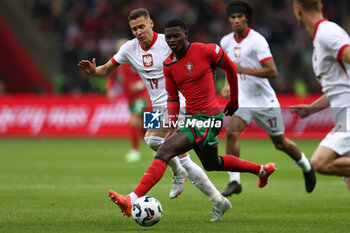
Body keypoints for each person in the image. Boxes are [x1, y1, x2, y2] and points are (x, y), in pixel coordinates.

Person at [108, 18, 276, 222]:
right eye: (169, 36)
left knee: (164, 149)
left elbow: (230, 67)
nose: (171, 40)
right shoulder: (162, 61)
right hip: (176, 113)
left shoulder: (203, 50)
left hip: (207, 117)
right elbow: (171, 97)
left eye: (176, 36)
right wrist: (171, 123)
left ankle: (132, 198)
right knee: (212, 163)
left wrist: (233, 99)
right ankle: (258, 172)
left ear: (185, 35)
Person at [78, 8, 234, 216]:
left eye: (142, 26)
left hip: (180, 103)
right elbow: (105, 69)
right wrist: (93, 72)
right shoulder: (129, 49)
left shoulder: (168, 43)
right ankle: (216, 198)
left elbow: (193, 60)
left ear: (151, 24)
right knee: (156, 142)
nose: (138, 32)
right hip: (157, 107)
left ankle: (143, 192)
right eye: (134, 28)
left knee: (160, 144)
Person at [219, 0, 316, 197]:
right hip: (243, 99)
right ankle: (234, 181)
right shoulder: (226, 42)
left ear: (247, 18)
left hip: (264, 101)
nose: (236, 21)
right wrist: (228, 85)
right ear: (229, 20)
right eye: (233, 17)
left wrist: (243, 69)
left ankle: (307, 167)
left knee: (280, 143)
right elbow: (230, 71)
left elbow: (272, 71)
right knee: (231, 133)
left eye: (240, 17)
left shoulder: (257, 41)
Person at [291, 0, 350, 191]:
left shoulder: (327, 33)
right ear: (321, 7)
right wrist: (311, 109)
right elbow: (338, 86)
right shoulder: (321, 37)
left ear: (297, 11)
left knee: (319, 163)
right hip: (342, 114)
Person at [106, 39, 150, 162]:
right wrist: (110, 89)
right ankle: (156, 147)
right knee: (144, 125)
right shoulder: (117, 61)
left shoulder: (138, 59)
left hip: (143, 95)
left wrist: (140, 85)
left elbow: (151, 74)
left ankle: (135, 151)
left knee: (134, 121)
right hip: (130, 98)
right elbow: (111, 76)